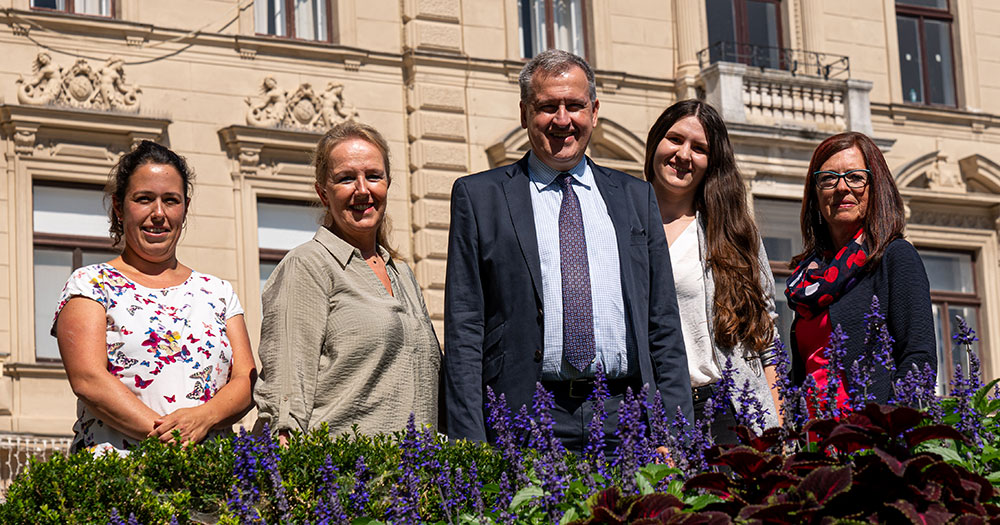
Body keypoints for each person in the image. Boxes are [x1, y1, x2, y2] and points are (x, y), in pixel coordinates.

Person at [443, 49, 693, 452]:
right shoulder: (479, 198)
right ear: (525, 114)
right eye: (547, 107)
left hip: (626, 418)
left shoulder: (635, 198)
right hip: (522, 420)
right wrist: (469, 445)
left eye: (574, 105)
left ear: (594, 111)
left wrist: (675, 432)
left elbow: (662, 322)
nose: (563, 120)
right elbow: (464, 329)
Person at [53, 141, 256, 454]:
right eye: (144, 199)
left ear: (184, 207)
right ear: (119, 207)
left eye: (170, 200)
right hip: (119, 480)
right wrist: (173, 440)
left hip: (209, 480)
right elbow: (88, 379)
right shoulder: (91, 284)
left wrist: (204, 417)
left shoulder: (218, 292)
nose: (158, 213)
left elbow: (245, 380)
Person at [254, 121, 440, 443]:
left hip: (415, 482)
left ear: (387, 184)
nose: (362, 189)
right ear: (323, 193)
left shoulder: (403, 274)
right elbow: (285, 394)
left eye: (373, 176)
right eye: (346, 179)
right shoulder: (307, 265)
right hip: (344, 480)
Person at [643, 100, 782, 442]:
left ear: (712, 162)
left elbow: (766, 339)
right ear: (655, 142)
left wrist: (778, 430)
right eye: (675, 139)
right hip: (645, 411)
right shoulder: (619, 223)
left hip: (724, 410)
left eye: (700, 148)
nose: (684, 154)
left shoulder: (733, 233)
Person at [786, 131, 936, 406]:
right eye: (829, 179)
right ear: (816, 195)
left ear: (875, 188)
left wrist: (888, 432)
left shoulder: (894, 256)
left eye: (855, 177)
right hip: (811, 438)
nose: (842, 187)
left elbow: (919, 357)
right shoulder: (809, 276)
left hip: (868, 439)